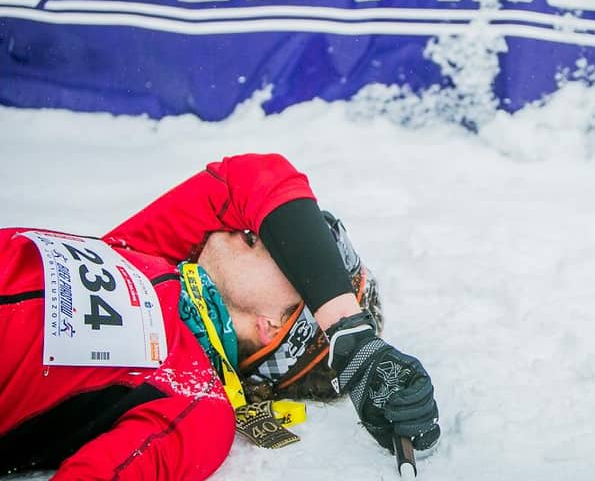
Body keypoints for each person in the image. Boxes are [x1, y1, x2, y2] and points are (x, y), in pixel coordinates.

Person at [0, 153, 439, 479]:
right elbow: (256, 177)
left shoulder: (196, 405)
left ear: (274, 326)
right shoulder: (141, 251)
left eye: (296, 261)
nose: (273, 234)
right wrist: (349, 330)